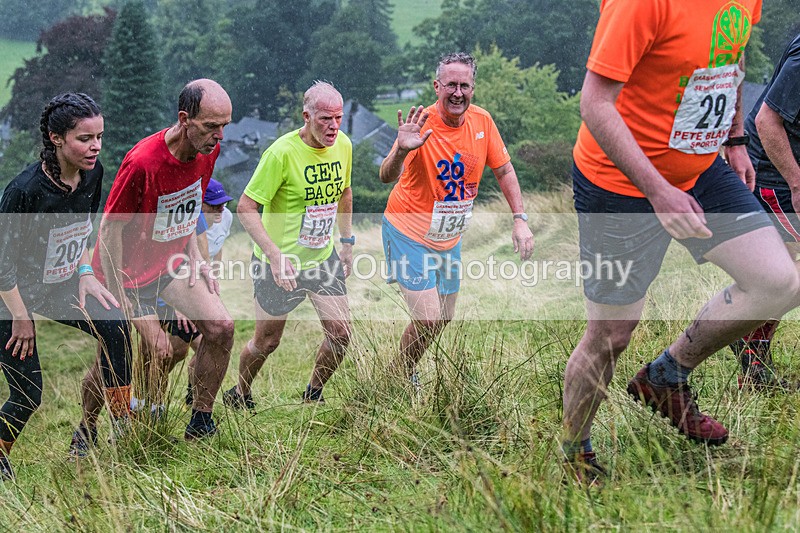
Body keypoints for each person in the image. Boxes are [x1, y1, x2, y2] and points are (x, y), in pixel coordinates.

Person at [562, 0, 799, 485]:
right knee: (611, 335)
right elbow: (594, 103)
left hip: (700, 167)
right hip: (619, 183)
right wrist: (657, 191)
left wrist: (733, 139)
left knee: (777, 282)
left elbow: (729, 56)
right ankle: (574, 451)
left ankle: (665, 377)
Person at [87, 79, 235, 440]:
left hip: (170, 265)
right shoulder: (143, 163)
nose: (219, 136)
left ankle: (200, 420)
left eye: (224, 126)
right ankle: (86, 428)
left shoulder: (207, 151)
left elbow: (187, 206)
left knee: (221, 327)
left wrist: (198, 257)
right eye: (211, 126)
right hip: (125, 271)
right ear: (185, 119)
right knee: (144, 350)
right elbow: (109, 230)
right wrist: (119, 292)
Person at [379, 52, 533, 383]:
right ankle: (400, 376)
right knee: (429, 317)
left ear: (473, 88)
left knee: (445, 316)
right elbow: (385, 175)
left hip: (449, 236)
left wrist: (519, 218)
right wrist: (402, 149)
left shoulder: (482, 121)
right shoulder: (421, 124)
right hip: (408, 231)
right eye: (451, 85)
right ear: (437, 86)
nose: (458, 93)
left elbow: (504, 170)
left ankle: (399, 371)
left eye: (465, 85)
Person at [0, 93, 133, 476]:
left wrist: (86, 274)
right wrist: (21, 318)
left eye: (99, 137)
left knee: (116, 326)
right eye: (84, 138)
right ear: (56, 138)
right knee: (27, 395)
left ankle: (121, 425)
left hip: (57, 285)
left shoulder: (93, 173)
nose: (95, 147)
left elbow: (81, 231)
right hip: (9, 297)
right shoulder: (24, 190)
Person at [226, 81, 353, 408]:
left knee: (340, 334)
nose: (334, 126)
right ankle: (240, 392)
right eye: (326, 119)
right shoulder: (281, 153)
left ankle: (313, 393)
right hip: (278, 263)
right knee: (267, 341)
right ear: (307, 116)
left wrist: (347, 242)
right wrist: (275, 255)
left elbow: (345, 192)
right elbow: (245, 206)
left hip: (322, 258)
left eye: (338, 118)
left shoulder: (344, 146)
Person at [728, 32, 800, 390]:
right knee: (779, 276)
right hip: (779, 172)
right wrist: (797, 183)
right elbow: (767, 122)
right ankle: (736, 327)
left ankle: (751, 358)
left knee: (780, 277)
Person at [203, 179, 234, 262]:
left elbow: (218, 246)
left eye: (223, 203)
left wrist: (215, 273)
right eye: (216, 205)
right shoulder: (189, 223)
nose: (221, 209)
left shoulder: (227, 216)